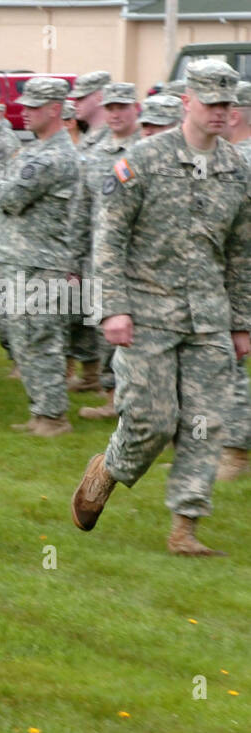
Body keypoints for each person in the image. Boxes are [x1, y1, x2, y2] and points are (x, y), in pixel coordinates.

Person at [71, 59, 251, 556]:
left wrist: (241, 322)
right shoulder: (143, 161)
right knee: (151, 419)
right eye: (210, 102)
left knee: (204, 421)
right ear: (187, 102)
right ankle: (108, 469)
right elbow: (109, 238)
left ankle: (184, 528)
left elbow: (241, 252)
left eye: (226, 104)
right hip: (146, 311)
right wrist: (112, 308)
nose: (219, 112)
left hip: (209, 317)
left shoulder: (238, 170)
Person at [0, 76, 81, 436]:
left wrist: (4, 185)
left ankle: (54, 417)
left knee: (40, 339)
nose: (24, 113)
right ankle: (42, 412)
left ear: (55, 110)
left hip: (40, 263)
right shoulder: (34, 151)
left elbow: (5, 198)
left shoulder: (52, 157)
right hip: (21, 259)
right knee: (26, 338)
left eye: (33, 107)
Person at [70, 83, 141, 419]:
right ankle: (113, 398)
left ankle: (140, 402)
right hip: (102, 257)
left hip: (140, 259)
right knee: (105, 330)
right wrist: (74, 260)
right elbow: (82, 210)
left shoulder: (147, 151)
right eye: (110, 108)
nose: (115, 114)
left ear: (135, 110)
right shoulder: (96, 156)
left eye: (122, 107)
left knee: (140, 332)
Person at [217, 81, 251, 482]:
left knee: (231, 365)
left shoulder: (237, 162)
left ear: (236, 115)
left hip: (236, 276)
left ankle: (235, 454)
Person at [69, 71, 112, 151]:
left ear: (100, 97)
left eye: (81, 98)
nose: (75, 104)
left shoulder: (114, 135)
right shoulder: (86, 136)